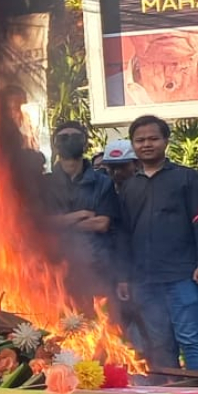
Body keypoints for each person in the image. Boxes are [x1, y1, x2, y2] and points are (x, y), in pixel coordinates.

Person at [116, 116, 198, 373]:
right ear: (133, 145)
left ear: (165, 141)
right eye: (140, 140)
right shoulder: (129, 186)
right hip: (144, 281)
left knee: (193, 341)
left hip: (182, 275)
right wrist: (124, 276)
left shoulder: (187, 178)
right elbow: (123, 234)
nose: (146, 144)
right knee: (158, 346)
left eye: (153, 138)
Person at [42, 122, 120, 305]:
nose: (69, 141)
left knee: (98, 328)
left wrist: (60, 223)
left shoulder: (103, 183)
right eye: (63, 137)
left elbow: (102, 224)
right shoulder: (43, 184)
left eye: (76, 137)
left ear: (85, 144)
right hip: (54, 269)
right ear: (55, 144)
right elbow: (40, 224)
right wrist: (81, 215)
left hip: (96, 269)